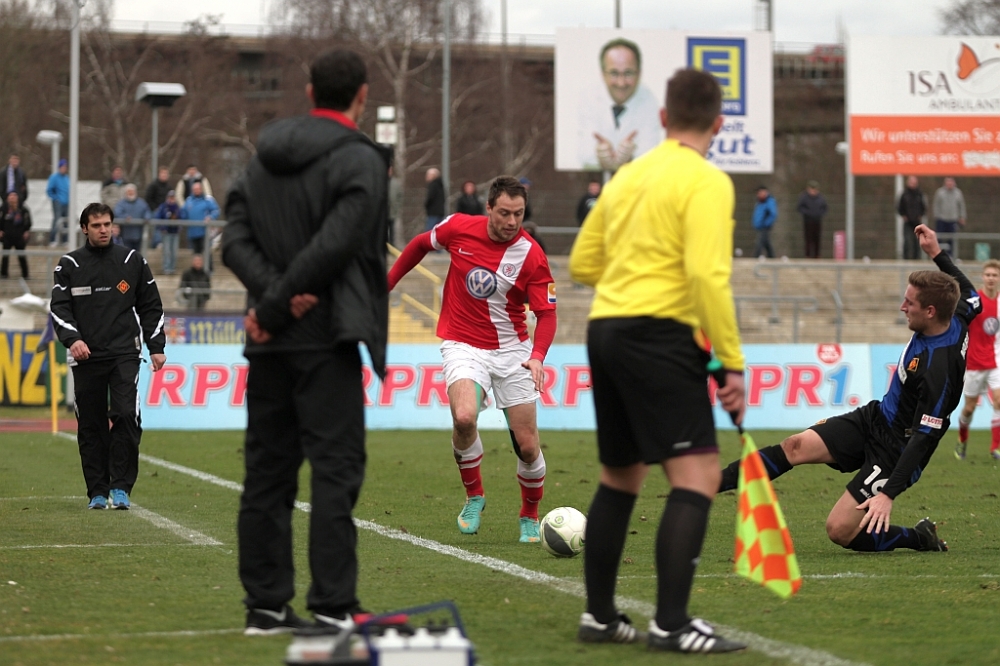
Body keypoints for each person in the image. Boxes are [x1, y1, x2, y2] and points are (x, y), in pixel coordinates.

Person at [569, 68, 747, 654]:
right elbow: (706, 276)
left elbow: (582, 263)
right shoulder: (707, 181)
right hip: (658, 333)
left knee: (620, 475)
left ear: (664, 117)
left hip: (606, 329)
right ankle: (671, 624)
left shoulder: (627, 175)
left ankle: (600, 617)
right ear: (718, 123)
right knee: (697, 476)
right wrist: (731, 362)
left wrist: (630, 275)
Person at [222, 48, 390, 636]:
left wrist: (270, 302)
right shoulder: (359, 158)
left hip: (269, 341)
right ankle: (333, 605)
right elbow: (338, 243)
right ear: (362, 95)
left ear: (310, 89)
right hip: (326, 337)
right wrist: (281, 301)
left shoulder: (262, 159)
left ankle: (266, 607)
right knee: (335, 471)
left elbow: (232, 239)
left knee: (267, 474)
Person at [719, 224, 979, 557]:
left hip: (897, 450)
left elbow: (923, 438)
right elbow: (970, 292)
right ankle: (711, 484)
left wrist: (888, 494)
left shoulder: (938, 371)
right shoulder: (957, 313)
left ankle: (918, 538)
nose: (902, 307)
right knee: (795, 446)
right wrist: (936, 253)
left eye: (909, 302)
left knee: (840, 530)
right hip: (875, 418)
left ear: (930, 312)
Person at [388, 176, 557, 544]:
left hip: (513, 351)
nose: (512, 221)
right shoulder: (459, 228)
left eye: (519, 214)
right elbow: (420, 244)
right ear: (489, 208)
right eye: (505, 213)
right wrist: (386, 284)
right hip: (463, 342)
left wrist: (538, 357)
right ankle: (474, 496)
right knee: (464, 417)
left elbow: (547, 314)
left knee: (528, 445)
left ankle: (529, 515)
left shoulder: (531, 255)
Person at [49, 202, 167, 511]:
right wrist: (73, 339)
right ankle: (98, 491)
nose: (103, 230)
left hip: (124, 353)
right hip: (85, 356)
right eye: (97, 225)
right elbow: (59, 308)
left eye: (107, 224)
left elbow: (151, 306)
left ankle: (121, 487)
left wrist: (156, 346)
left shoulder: (132, 261)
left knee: (126, 414)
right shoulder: (69, 265)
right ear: (84, 228)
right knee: (91, 424)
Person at [578, 38, 662, 171]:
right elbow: (584, 156)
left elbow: (651, 156)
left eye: (628, 73)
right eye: (614, 73)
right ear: (602, 74)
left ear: (639, 74)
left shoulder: (650, 100)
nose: (621, 83)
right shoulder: (587, 98)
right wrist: (600, 157)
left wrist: (630, 158)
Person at [955, 259, 1000, 461]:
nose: (991, 278)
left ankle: (995, 448)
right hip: (974, 363)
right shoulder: (975, 301)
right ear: (983, 277)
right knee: (969, 408)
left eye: (994, 275)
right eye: (988, 275)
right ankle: (962, 439)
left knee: (999, 401)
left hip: (996, 360)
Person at [181, 180, 219, 260]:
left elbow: (216, 210)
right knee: (196, 256)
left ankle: (209, 267)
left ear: (201, 189)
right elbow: (183, 213)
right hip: (192, 233)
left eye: (198, 189)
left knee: (206, 254)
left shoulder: (207, 200)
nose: (196, 191)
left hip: (204, 232)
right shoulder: (189, 201)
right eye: (195, 189)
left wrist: (210, 217)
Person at [0, 191, 32, 279]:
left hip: (19, 235)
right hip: (7, 235)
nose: (12, 198)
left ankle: (25, 274)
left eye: (14, 196)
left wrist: (26, 230)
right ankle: (4, 273)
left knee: (21, 255)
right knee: (5, 255)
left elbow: (28, 221)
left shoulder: (23, 209)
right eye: (10, 196)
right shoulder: (3, 209)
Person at [933, 177, 966, 258]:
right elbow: (936, 205)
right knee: (939, 237)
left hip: (953, 219)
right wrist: (937, 216)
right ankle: (938, 255)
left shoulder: (958, 193)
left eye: (951, 182)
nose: (949, 184)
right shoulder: (940, 192)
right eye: (948, 182)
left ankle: (951, 256)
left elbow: (961, 206)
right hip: (941, 219)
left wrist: (962, 217)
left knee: (952, 239)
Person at [113, 184, 151, 251]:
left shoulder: (141, 203)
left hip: (138, 234)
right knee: (126, 252)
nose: (131, 193)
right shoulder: (121, 203)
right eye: (129, 191)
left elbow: (147, 211)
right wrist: (125, 217)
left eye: (132, 191)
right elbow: (117, 212)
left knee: (137, 253)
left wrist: (146, 217)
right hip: (125, 234)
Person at [898, 176, 928, 260]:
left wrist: (921, 215)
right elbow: (899, 206)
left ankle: (916, 258)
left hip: (917, 222)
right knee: (907, 240)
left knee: (917, 241)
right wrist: (903, 215)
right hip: (907, 221)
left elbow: (924, 207)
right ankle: (905, 258)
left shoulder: (920, 194)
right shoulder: (904, 194)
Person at [154, 190, 184, 274]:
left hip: (175, 232)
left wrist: (179, 227)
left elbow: (182, 217)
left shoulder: (178, 208)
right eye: (170, 197)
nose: (171, 199)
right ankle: (166, 268)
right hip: (166, 232)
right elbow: (157, 217)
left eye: (173, 197)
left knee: (174, 251)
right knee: (167, 251)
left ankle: (172, 268)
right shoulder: (163, 207)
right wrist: (162, 227)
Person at [797, 180, 827, 259]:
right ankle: (808, 255)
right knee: (808, 238)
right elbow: (800, 207)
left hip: (817, 220)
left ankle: (817, 255)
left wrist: (819, 213)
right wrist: (808, 213)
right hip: (808, 221)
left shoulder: (821, 198)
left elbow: (825, 208)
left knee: (817, 238)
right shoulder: (804, 197)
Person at [46, 158, 69, 246]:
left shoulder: (67, 178)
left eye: (65, 167)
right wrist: (55, 198)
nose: (64, 168)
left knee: (66, 221)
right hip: (58, 203)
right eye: (63, 167)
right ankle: (52, 239)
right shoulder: (54, 177)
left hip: (66, 203)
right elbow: (49, 190)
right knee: (57, 220)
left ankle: (65, 240)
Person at [752, 185, 777, 259]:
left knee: (760, 242)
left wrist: (766, 223)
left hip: (765, 226)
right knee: (766, 243)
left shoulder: (769, 202)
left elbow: (773, 214)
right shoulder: (759, 202)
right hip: (760, 225)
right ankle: (771, 257)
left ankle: (755, 257)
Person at [424, 167, 445, 232]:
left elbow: (430, 197)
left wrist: (426, 205)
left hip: (433, 212)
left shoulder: (433, 185)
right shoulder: (440, 185)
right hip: (440, 212)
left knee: (430, 231)